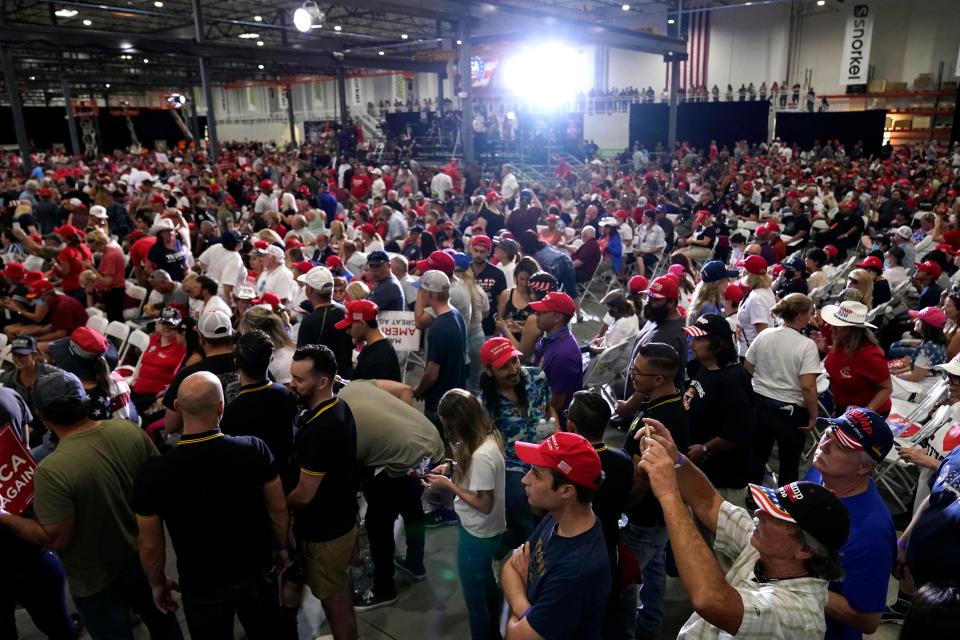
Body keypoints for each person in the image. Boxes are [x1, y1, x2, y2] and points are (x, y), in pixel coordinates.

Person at [0, 370, 183, 639]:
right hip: (145, 558)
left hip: (95, 581)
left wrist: (4, 516)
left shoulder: (51, 470)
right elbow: (161, 490)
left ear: (42, 416)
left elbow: (55, 537)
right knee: (164, 624)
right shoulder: (130, 431)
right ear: (84, 400)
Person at [635, 419, 849, 640]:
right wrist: (677, 460)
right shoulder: (769, 549)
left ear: (804, 549)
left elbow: (712, 600)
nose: (757, 514)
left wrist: (669, 494)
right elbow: (709, 503)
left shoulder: (797, 615)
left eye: (773, 516)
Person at [134, 371, 292, 639]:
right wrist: (281, 547)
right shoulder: (254, 449)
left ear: (177, 408)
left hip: (201, 584)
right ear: (221, 407)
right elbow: (277, 508)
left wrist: (157, 582)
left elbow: (150, 544)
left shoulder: (154, 472)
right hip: (255, 571)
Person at [338, 379, 444, 614]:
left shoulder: (339, 419)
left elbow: (352, 470)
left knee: (378, 523)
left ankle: (385, 588)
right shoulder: (359, 384)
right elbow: (404, 389)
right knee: (412, 506)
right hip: (429, 441)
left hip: (398, 458)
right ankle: (416, 564)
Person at [501, 432, 611, 639]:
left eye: (536, 473)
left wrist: (523, 589)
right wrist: (525, 607)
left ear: (566, 491)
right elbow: (509, 565)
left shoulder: (577, 572)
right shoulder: (558, 517)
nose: (525, 479)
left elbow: (515, 635)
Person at [804, 408, 896, 640]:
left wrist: (797, 580)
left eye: (841, 446)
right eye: (827, 435)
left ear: (864, 467)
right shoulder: (820, 472)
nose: (823, 446)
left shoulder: (870, 531)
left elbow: (868, 620)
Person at [287, 345, 361, 633]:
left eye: (299, 379)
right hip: (341, 521)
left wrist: (279, 507)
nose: (292, 384)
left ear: (323, 382)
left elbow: (305, 494)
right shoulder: (338, 406)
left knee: (335, 604)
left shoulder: (321, 429)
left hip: (326, 536)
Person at [422, 389, 507, 640]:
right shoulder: (489, 435)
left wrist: (449, 485)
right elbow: (469, 467)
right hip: (493, 530)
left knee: (475, 600)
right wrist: (451, 466)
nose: (447, 431)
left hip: (477, 534)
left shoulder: (482, 456)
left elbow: (484, 504)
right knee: (492, 590)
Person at [621, 341, 691, 639]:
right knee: (655, 568)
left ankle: (625, 630)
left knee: (625, 579)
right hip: (662, 513)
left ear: (659, 379)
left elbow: (641, 478)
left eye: (638, 371)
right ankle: (650, 621)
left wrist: (624, 506)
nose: (632, 374)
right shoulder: (676, 404)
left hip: (645, 515)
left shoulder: (657, 421)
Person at [0, 385, 79, 640]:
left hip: (22, 543)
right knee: (57, 622)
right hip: (27, 531)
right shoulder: (9, 397)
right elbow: (24, 449)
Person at [745, 293, 821, 486]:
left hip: (759, 403)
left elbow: (748, 365)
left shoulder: (765, 334)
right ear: (801, 315)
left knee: (757, 457)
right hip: (790, 411)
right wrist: (813, 416)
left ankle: (753, 497)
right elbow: (808, 385)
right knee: (789, 463)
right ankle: (785, 506)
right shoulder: (807, 345)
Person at [682, 314, 754, 503]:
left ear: (718, 345)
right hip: (701, 473)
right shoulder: (705, 366)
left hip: (723, 482)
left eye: (699, 339)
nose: (692, 344)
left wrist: (705, 448)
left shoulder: (734, 380)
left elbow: (736, 433)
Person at [219, 330, 299, 491]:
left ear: (236, 362)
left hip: (250, 487)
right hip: (284, 479)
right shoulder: (285, 395)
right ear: (270, 359)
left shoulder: (231, 413)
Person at [616, 276, 687, 421]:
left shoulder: (670, 338)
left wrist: (628, 407)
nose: (649, 303)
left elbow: (652, 378)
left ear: (671, 302)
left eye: (656, 299)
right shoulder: (657, 318)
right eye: (649, 297)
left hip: (652, 414)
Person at [163, 310, 238, 434]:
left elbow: (170, 426)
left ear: (201, 339)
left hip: (206, 445)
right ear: (231, 335)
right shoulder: (250, 364)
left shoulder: (188, 375)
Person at [412, 270, 467, 424]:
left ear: (430, 294)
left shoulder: (438, 327)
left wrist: (419, 390)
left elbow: (431, 374)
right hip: (456, 398)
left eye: (421, 290)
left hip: (440, 403)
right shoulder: (456, 315)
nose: (419, 294)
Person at [821, 301, 892, 416]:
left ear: (852, 329)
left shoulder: (869, 355)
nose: (831, 327)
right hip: (845, 409)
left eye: (838, 325)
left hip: (866, 415)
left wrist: (864, 412)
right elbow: (841, 362)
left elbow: (886, 388)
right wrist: (825, 348)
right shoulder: (841, 342)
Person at [528, 291, 582, 420]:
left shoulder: (563, 356)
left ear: (558, 317)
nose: (536, 315)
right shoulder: (555, 339)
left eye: (542, 312)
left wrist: (532, 419)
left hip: (553, 423)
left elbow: (556, 402)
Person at [297, 266, 354, 378]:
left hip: (322, 383)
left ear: (310, 290)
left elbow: (301, 360)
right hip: (345, 378)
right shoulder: (346, 311)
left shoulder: (310, 321)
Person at [129, 306, 187, 417]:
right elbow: (142, 362)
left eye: (171, 324)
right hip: (137, 389)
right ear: (158, 324)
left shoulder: (181, 345)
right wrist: (135, 378)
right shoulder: (153, 338)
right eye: (163, 323)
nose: (167, 327)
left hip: (156, 395)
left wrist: (169, 391)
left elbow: (183, 373)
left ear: (178, 326)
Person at [335, 298, 401, 382]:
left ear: (362, 324)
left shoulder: (378, 358)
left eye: (350, 326)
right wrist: (342, 382)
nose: (347, 331)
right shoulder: (374, 346)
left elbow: (366, 392)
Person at [736, 255, 775, 356]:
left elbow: (762, 333)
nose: (741, 273)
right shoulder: (766, 289)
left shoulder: (756, 299)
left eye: (744, 271)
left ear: (749, 274)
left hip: (750, 354)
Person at [469, 235, 507, 336]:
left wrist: (498, 329)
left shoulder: (497, 274)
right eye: (476, 250)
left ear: (489, 252)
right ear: (470, 250)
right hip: (467, 325)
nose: (478, 254)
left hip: (489, 327)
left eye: (482, 252)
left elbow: (502, 304)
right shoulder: (464, 271)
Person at [147, 218, 190, 282]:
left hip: (183, 280)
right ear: (161, 234)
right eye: (167, 231)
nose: (170, 233)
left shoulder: (178, 243)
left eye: (172, 230)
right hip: (167, 283)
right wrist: (158, 279)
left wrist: (188, 270)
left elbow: (185, 263)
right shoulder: (156, 248)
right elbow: (148, 267)